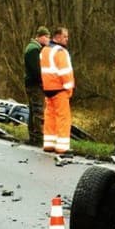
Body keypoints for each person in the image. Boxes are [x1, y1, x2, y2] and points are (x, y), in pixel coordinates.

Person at [40, 26, 74, 155]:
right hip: (60, 88)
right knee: (63, 118)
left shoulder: (44, 50)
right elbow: (65, 72)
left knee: (50, 117)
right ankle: (62, 146)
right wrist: (69, 88)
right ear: (58, 37)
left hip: (47, 88)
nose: (67, 39)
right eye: (65, 37)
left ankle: (49, 143)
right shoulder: (60, 52)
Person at [23, 26, 51, 146]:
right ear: (40, 36)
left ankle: (33, 136)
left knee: (33, 111)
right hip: (35, 85)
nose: (48, 40)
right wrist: (43, 82)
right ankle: (39, 137)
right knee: (38, 110)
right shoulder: (34, 49)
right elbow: (36, 70)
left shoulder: (34, 48)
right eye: (46, 37)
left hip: (31, 84)